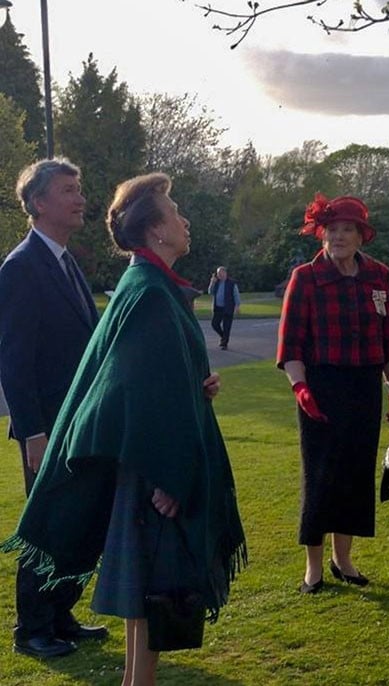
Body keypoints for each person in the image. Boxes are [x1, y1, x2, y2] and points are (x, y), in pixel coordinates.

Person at [3, 172, 247, 684]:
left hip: (140, 455)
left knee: (143, 594)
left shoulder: (145, 283)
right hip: (148, 462)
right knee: (151, 586)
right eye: (175, 210)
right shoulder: (150, 291)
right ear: (155, 231)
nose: (184, 219)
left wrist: (192, 382)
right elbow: (127, 381)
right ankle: (40, 626)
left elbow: (136, 367)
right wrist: (170, 477)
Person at [0, 158, 105, 659]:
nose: (80, 198)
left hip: (79, 426)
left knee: (77, 523)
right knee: (45, 526)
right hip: (47, 430)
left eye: (78, 188)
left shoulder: (67, 261)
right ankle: (32, 630)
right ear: (39, 203)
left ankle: (61, 615)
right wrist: (33, 433)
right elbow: (14, 362)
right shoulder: (21, 267)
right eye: (68, 189)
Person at [277, 193, 389, 594]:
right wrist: (301, 388)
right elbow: (290, 346)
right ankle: (312, 568)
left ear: (361, 236)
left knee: (355, 474)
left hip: (364, 386)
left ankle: (343, 559)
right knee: (320, 476)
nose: (339, 237)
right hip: (320, 388)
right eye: (332, 230)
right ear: (322, 235)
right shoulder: (305, 277)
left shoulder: (378, 276)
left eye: (347, 230)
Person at [208, 266, 241, 350]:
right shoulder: (216, 282)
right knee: (214, 324)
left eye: (221, 273)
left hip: (228, 308)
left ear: (225, 273)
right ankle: (224, 337)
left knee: (227, 326)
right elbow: (210, 292)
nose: (219, 275)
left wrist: (237, 306)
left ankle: (224, 343)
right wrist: (212, 283)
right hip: (218, 308)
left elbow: (236, 295)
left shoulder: (232, 283)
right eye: (218, 273)